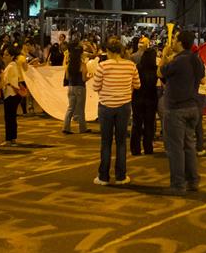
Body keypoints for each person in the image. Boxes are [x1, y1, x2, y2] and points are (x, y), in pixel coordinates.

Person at [159, 30, 204, 195]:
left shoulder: (178, 61)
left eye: (174, 39)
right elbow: (202, 78)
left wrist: (164, 55)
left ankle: (178, 185)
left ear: (180, 42)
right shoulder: (196, 59)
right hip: (193, 107)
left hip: (176, 108)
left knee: (175, 148)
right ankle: (193, 181)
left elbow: (160, 72)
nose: (172, 42)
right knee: (189, 146)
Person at [93, 36, 140, 186]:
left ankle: (103, 177)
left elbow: (95, 86)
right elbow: (137, 84)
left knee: (106, 142)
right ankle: (121, 176)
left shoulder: (103, 66)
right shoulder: (131, 65)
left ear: (108, 51)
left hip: (106, 106)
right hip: (124, 106)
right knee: (121, 142)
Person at [132, 46, 159, 155]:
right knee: (149, 124)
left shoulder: (137, 68)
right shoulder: (155, 69)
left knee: (137, 124)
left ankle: (135, 148)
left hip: (138, 97)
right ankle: (148, 147)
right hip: (151, 98)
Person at [62, 41, 91, 134]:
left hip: (70, 87)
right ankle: (83, 128)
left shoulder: (68, 65)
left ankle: (66, 127)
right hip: (80, 88)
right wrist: (90, 76)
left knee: (70, 108)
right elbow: (84, 79)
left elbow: (67, 77)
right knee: (80, 109)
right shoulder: (82, 64)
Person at [1, 45, 26, 146]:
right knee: (12, 118)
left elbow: (4, 81)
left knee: (9, 118)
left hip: (10, 94)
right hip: (14, 94)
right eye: (4, 54)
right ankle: (12, 139)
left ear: (12, 56)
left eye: (6, 55)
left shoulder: (10, 66)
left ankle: (9, 139)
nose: (4, 56)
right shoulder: (14, 65)